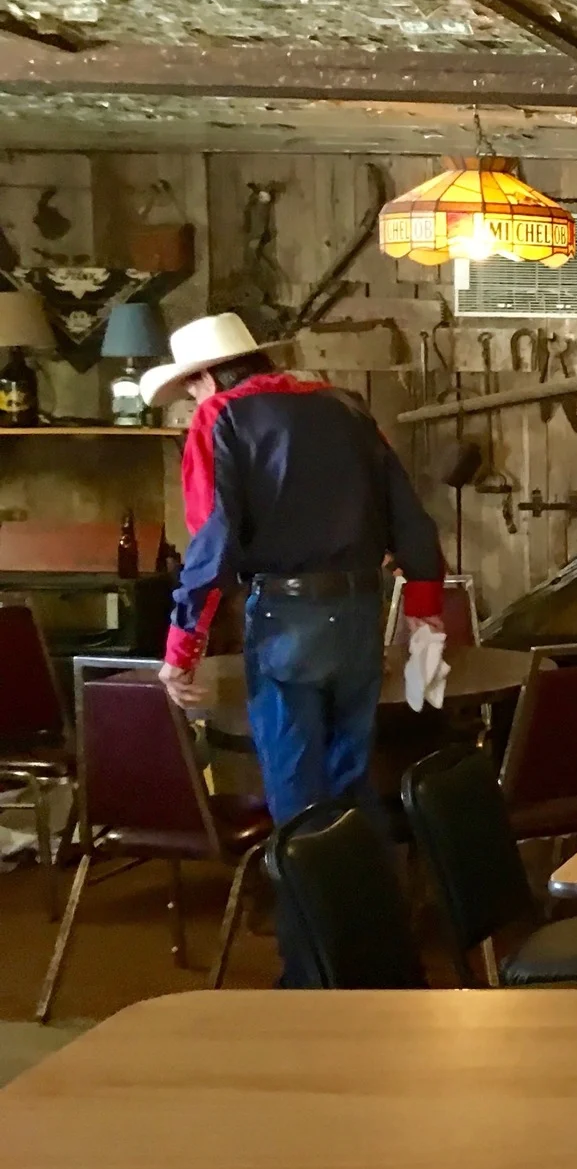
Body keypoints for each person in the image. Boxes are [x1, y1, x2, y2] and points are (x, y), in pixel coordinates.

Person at [147, 313, 446, 841]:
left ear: (206, 379)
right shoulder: (348, 408)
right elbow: (411, 521)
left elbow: (212, 545)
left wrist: (182, 648)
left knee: (297, 789)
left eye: (191, 390)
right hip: (359, 617)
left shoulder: (219, 417)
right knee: (353, 780)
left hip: (288, 620)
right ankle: (366, 917)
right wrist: (425, 611)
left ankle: (309, 921)